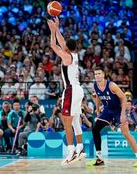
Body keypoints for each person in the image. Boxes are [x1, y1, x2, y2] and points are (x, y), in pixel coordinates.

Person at [47, 17, 85, 165]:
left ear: (67, 49)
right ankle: (80, 148)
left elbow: (53, 44)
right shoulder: (74, 54)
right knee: (75, 121)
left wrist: (52, 31)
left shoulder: (66, 56)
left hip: (71, 90)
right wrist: (57, 28)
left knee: (66, 122)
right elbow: (62, 42)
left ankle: (71, 152)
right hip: (78, 89)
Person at [87, 67, 137, 167]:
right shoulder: (95, 86)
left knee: (126, 134)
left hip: (118, 109)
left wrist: (123, 114)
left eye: (99, 73)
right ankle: (99, 159)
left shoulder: (112, 85)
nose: (97, 76)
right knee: (95, 129)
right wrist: (98, 109)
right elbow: (98, 96)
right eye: (95, 74)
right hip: (108, 110)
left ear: (103, 75)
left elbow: (124, 98)